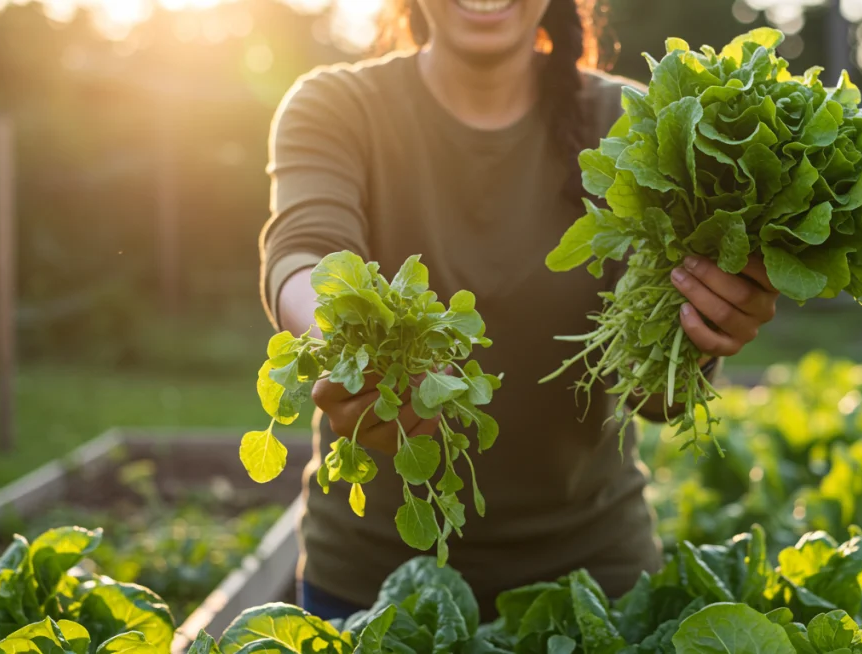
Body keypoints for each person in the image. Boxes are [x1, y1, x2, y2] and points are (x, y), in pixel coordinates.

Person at [259, 0, 780, 621]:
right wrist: (346, 347)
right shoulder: (337, 106)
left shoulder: (634, 120)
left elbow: (655, 398)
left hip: (592, 588)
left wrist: (704, 326)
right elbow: (302, 253)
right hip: (375, 589)